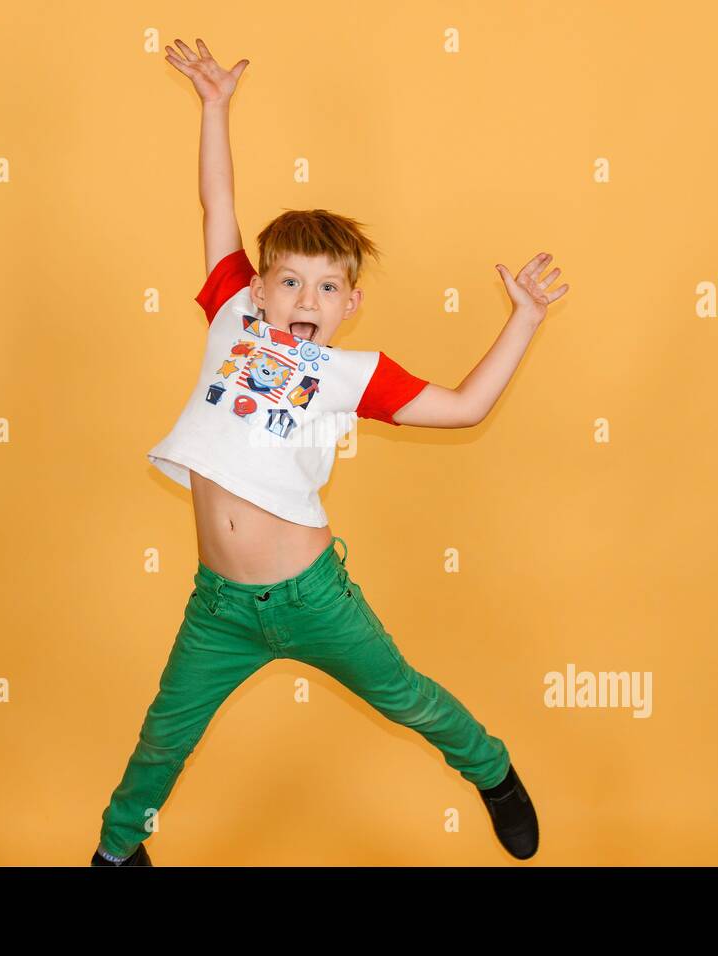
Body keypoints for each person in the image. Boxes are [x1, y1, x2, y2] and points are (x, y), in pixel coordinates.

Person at [92, 38, 569, 867]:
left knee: (405, 699)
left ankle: (491, 768)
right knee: (163, 738)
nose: (303, 299)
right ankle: (115, 850)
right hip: (219, 610)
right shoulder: (231, 319)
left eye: (325, 288)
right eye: (287, 281)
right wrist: (213, 109)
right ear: (256, 288)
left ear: (350, 304)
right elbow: (216, 207)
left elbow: (463, 407)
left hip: (314, 599)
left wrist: (523, 318)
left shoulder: (354, 374)